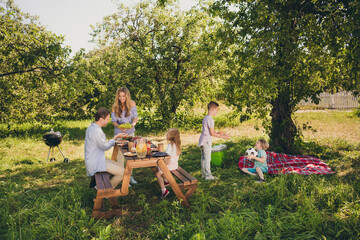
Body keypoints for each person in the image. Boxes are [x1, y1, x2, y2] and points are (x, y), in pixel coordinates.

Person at [84, 108, 128, 188]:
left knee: (119, 166)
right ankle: (105, 192)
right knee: (123, 172)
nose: (108, 121)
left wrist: (115, 138)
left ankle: (101, 188)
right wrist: (115, 138)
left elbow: (102, 144)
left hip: (97, 159)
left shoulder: (92, 128)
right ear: (101, 119)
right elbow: (105, 147)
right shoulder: (96, 131)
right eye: (107, 119)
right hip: (96, 163)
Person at [111, 87, 139, 185]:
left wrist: (133, 125)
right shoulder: (115, 106)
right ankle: (122, 176)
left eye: (123, 96)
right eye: (119, 96)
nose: (121, 98)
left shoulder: (132, 103)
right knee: (120, 156)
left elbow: (135, 118)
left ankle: (130, 176)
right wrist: (119, 126)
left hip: (130, 132)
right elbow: (113, 121)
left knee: (131, 154)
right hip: (119, 133)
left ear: (127, 96)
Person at [198, 101, 230, 180]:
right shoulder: (211, 120)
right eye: (216, 110)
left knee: (203, 158)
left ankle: (204, 174)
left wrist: (219, 133)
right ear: (212, 109)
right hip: (206, 141)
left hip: (202, 140)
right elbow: (211, 133)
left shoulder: (206, 118)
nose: (217, 112)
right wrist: (222, 137)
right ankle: (208, 175)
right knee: (207, 158)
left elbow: (209, 131)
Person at [155, 128, 181, 199]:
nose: (166, 135)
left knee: (157, 173)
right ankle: (166, 181)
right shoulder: (176, 144)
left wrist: (163, 164)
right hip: (174, 164)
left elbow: (167, 157)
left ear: (172, 136)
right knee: (158, 166)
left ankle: (164, 191)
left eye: (167, 134)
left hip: (170, 165)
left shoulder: (171, 145)